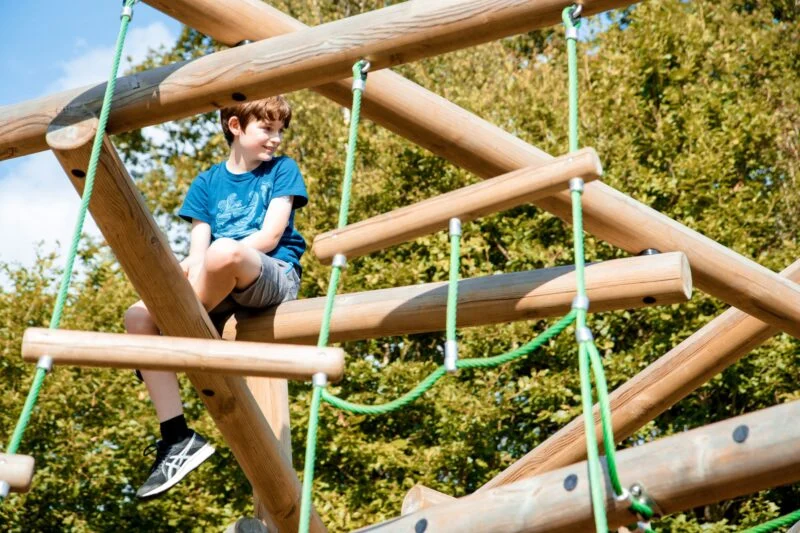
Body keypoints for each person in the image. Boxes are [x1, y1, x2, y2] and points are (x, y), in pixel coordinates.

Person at [124, 95, 308, 499]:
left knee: (226, 251)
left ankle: (167, 342)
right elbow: (196, 254)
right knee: (136, 317)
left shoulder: (282, 170)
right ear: (235, 127)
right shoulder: (207, 183)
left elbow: (270, 236)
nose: (276, 139)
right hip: (218, 280)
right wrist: (171, 287)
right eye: (266, 129)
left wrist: (208, 264)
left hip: (270, 273)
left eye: (280, 130)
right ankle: (176, 437)